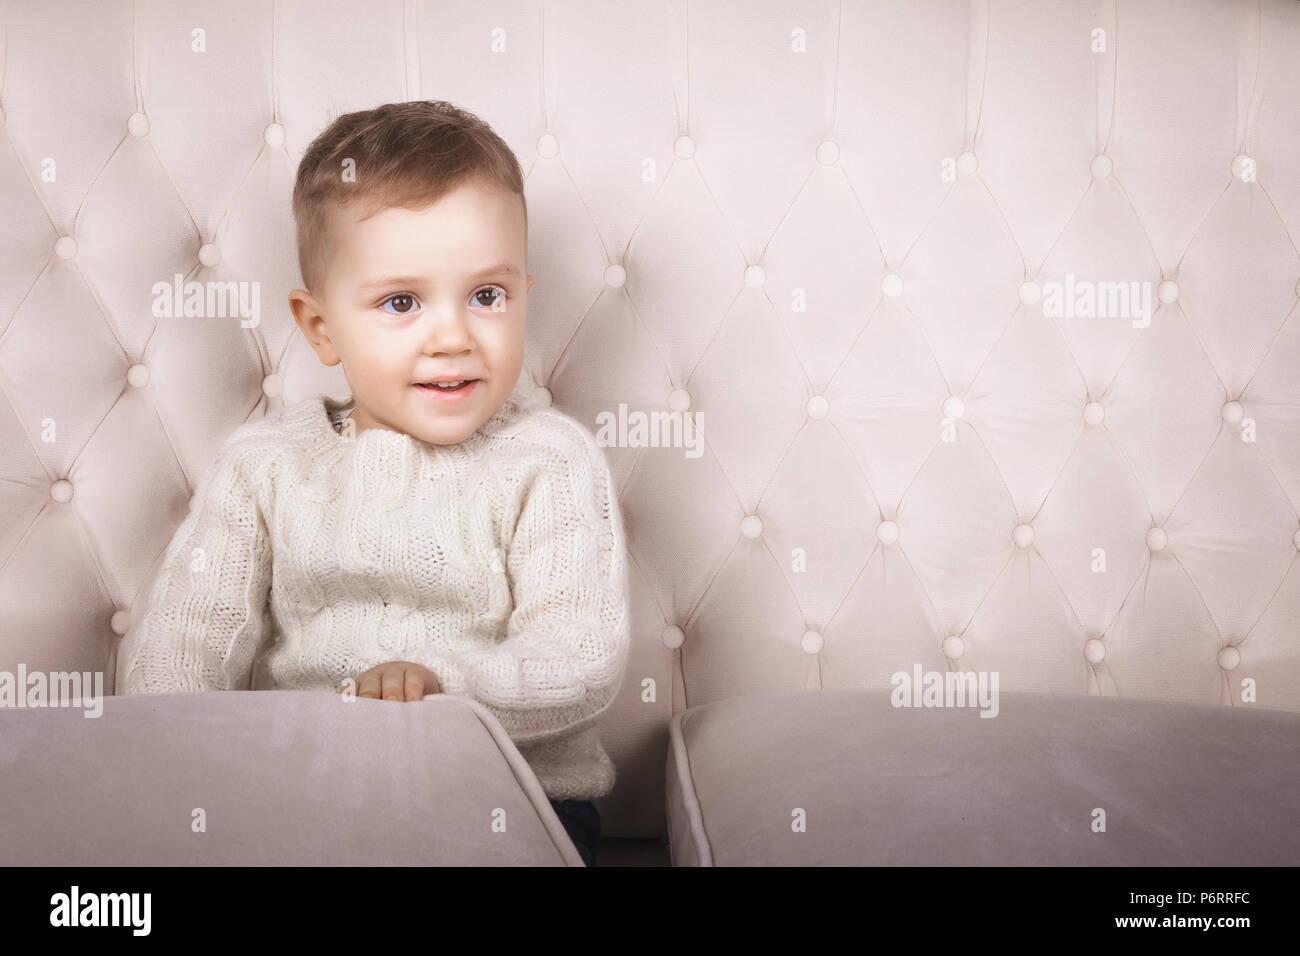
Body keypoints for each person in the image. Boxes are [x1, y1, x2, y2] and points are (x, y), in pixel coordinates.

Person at [119, 101, 628, 865]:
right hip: (302, 796)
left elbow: (578, 660)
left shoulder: (548, 460)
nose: (453, 335)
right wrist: (190, 769)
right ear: (321, 328)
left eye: (487, 296)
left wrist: (442, 686)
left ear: (523, 294)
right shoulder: (264, 467)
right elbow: (181, 650)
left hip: (505, 798)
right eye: (401, 302)